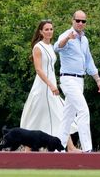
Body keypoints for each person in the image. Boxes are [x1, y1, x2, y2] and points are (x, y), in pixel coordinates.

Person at [20, 19, 81, 153]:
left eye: (51, 29)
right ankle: (27, 151)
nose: (49, 31)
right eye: (46, 29)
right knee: (38, 116)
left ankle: (70, 147)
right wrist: (51, 85)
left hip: (50, 85)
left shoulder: (50, 46)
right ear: (41, 32)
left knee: (60, 113)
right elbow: (39, 70)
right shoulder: (38, 47)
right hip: (43, 87)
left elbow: (60, 47)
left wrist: (68, 38)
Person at [54, 10, 100, 152]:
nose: (80, 23)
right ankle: (88, 149)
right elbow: (57, 47)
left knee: (68, 116)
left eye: (83, 21)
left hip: (79, 81)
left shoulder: (85, 40)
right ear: (72, 20)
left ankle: (57, 149)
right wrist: (67, 39)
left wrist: (98, 80)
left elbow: (89, 61)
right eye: (78, 20)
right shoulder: (66, 35)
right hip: (68, 79)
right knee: (83, 111)